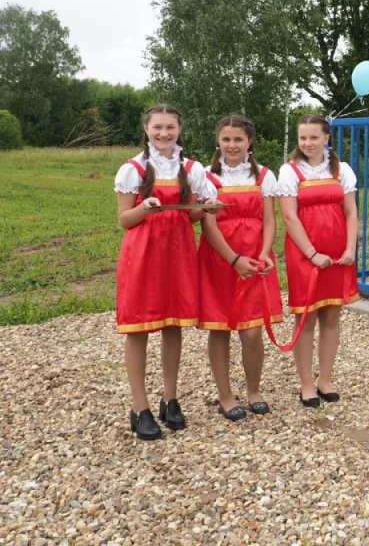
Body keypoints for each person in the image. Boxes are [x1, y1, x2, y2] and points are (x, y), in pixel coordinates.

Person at [113, 104, 217, 441]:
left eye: (170, 127)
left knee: (173, 324)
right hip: (143, 254)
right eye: (157, 127)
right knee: (139, 326)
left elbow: (191, 217)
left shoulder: (191, 168)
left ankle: (169, 398)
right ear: (146, 129)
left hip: (178, 252)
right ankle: (139, 406)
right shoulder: (133, 169)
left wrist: (205, 208)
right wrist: (144, 207)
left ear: (179, 130)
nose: (164, 133)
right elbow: (124, 220)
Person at [197, 115, 283, 421]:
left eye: (238, 139)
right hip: (220, 259)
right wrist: (234, 260)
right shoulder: (206, 176)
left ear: (250, 142)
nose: (232, 145)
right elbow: (208, 225)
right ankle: (225, 395)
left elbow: (269, 220)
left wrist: (265, 253)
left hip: (255, 259)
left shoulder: (265, 176)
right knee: (220, 328)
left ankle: (253, 390)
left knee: (252, 331)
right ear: (217, 142)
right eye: (226, 139)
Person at [277, 114, 359, 408]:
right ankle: (306, 384)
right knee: (306, 317)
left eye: (313, 137)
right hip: (305, 254)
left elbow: (350, 212)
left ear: (326, 138)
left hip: (337, 254)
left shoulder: (342, 170)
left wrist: (350, 249)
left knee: (332, 317)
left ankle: (325, 379)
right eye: (303, 138)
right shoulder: (289, 171)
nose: (307, 143)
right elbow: (289, 216)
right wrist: (312, 253)